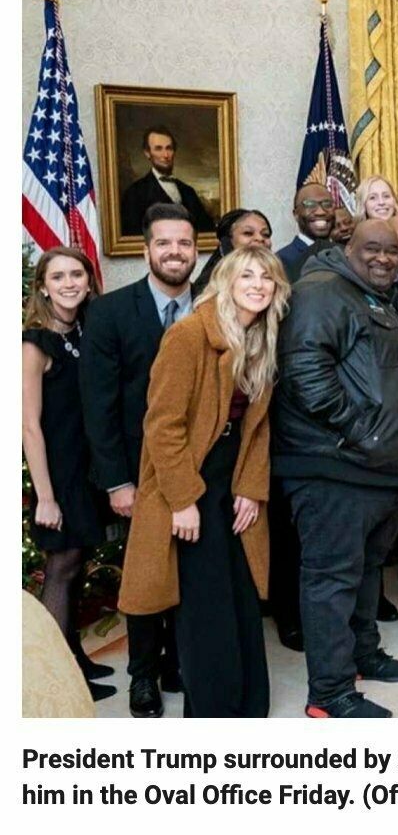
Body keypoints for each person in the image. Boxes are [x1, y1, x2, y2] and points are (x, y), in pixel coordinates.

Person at [118, 246, 289, 717]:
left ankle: (248, 704)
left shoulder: (261, 337)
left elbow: (259, 427)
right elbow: (162, 426)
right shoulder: (189, 334)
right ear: (227, 281)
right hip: (189, 481)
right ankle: (212, 711)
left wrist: (252, 487)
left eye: (267, 277)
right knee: (204, 605)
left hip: (232, 478)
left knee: (240, 593)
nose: (258, 284)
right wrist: (182, 500)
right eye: (247, 276)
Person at [273, 218, 398, 719]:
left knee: (366, 572)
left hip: (379, 468)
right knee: (332, 579)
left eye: (391, 250)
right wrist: (363, 430)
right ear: (347, 247)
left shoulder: (372, 295)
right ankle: (329, 692)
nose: (384, 258)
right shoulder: (322, 292)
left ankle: (363, 655)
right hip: (335, 466)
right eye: (372, 249)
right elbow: (304, 371)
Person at [80, 203, 196, 718]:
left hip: (201, 474)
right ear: (147, 249)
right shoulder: (109, 312)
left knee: (193, 577)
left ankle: (180, 664)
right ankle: (143, 676)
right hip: (139, 476)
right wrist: (117, 482)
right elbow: (98, 405)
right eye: (165, 243)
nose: (175, 252)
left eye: (185, 243)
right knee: (147, 577)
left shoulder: (216, 306)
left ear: (197, 250)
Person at [23, 247, 114, 701]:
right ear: (43, 285)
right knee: (60, 568)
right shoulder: (34, 342)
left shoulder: (86, 331)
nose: (68, 283)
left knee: (78, 566)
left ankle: (74, 659)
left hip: (87, 468)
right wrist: (45, 496)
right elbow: (27, 425)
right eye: (57, 276)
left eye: (76, 273)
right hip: (57, 474)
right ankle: (55, 681)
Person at [119, 126, 215, 235]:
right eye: (158, 149)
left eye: (169, 148)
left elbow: (207, 231)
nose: (165, 155)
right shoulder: (134, 193)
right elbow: (132, 235)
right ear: (147, 153)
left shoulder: (188, 191)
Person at [193, 208, 273, 296]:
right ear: (227, 242)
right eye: (248, 233)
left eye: (265, 234)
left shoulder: (278, 278)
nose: (260, 238)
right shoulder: (208, 287)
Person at [276, 183, 336, 284]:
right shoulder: (281, 260)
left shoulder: (345, 254)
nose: (320, 212)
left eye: (327, 204)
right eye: (310, 205)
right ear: (296, 214)